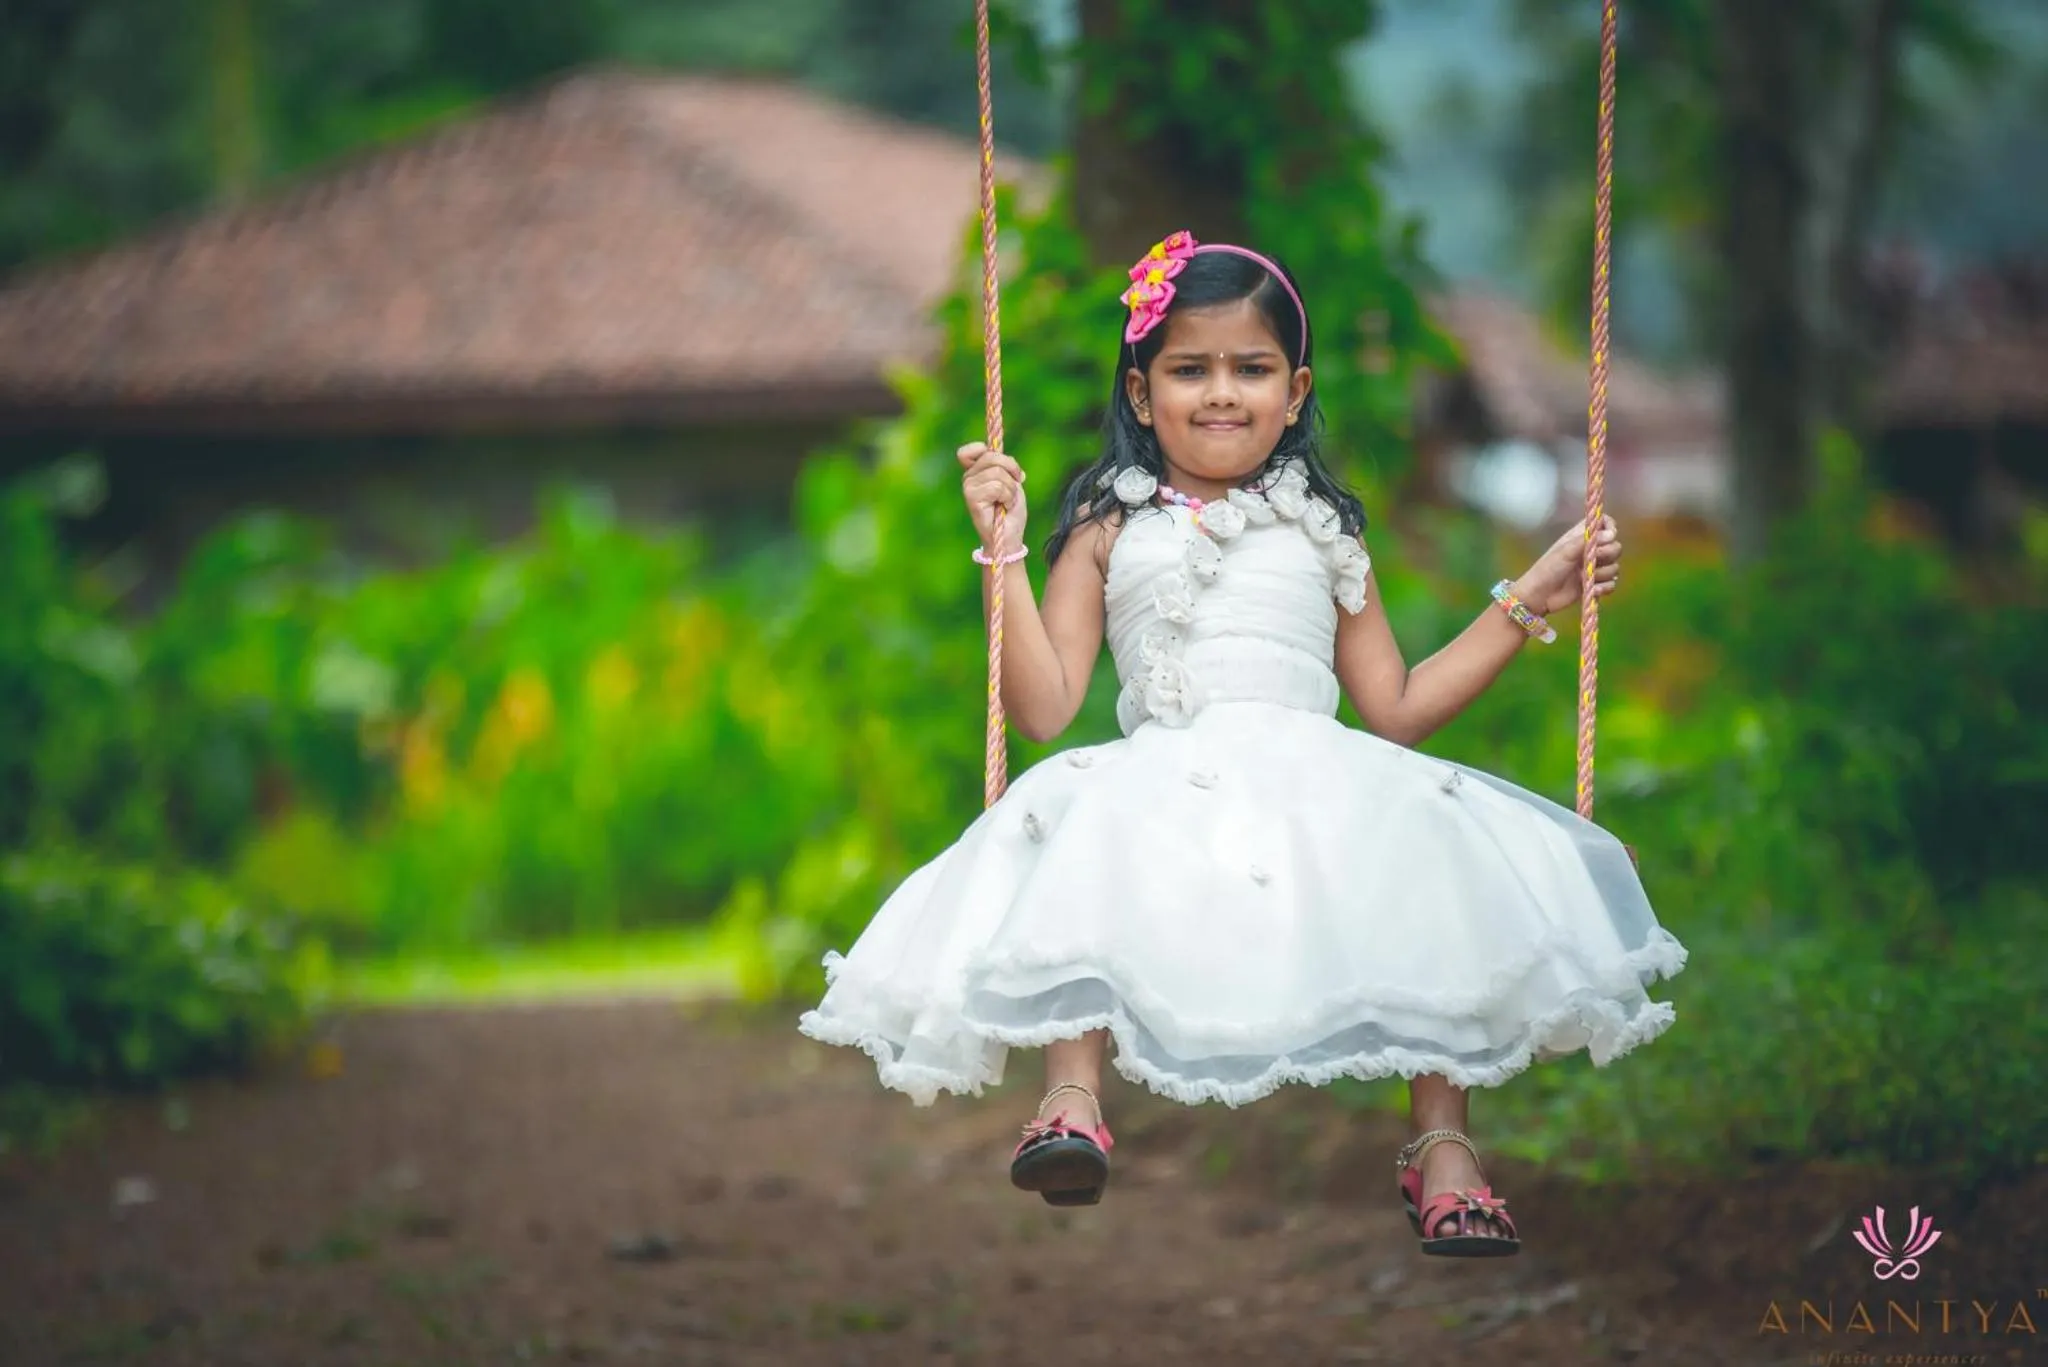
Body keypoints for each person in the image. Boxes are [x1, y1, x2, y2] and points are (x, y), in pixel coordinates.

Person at [798, 230, 1687, 1257]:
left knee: (1422, 836)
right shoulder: (1105, 526)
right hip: (1165, 774)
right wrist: (999, 547)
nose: (1221, 392)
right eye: (1189, 368)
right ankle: (1070, 1102)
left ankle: (1441, 1146)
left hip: (1316, 770)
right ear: (1140, 394)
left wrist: (1527, 598)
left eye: (1250, 368)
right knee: (1077, 818)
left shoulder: (1322, 528)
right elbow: (1042, 707)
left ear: (1294, 388)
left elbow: (1393, 706)